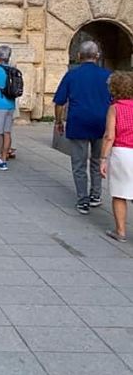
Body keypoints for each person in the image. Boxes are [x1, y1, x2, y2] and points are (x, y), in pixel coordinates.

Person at [53, 40, 111, 215]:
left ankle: (82, 199)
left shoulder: (72, 75)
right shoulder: (107, 75)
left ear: (79, 56)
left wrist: (58, 121)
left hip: (78, 121)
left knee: (79, 163)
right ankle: (96, 195)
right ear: (97, 56)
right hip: (102, 122)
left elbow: (60, 102)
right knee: (97, 160)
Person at [100, 72, 133, 241]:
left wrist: (103, 158)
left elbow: (109, 136)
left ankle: (120, 232)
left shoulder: (115, 108)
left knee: (120, 193)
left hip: (123, 153)